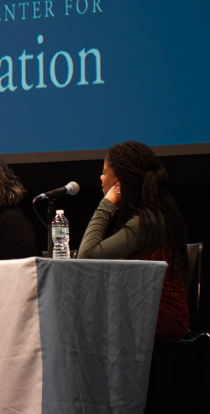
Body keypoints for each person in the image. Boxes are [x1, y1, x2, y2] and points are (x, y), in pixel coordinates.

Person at [78, 141, 189, 340]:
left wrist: (107, 203)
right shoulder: (148, 215)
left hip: (160, 317)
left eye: (104, 172)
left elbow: (86, 256)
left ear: (119, 182)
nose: (101, 178)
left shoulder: (150, 220)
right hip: (140, 312)